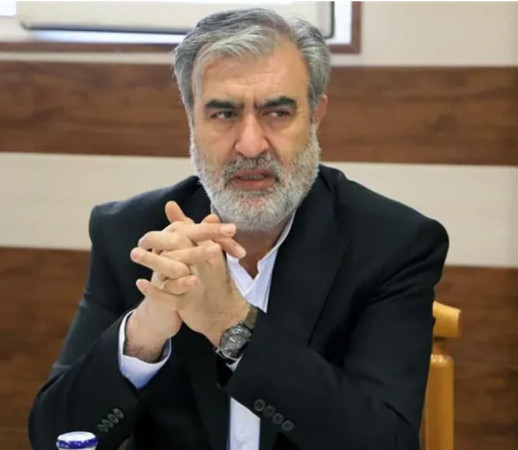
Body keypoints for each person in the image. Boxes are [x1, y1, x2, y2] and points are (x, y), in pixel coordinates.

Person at [28, 8, 449, 450]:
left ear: (315, 116)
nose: (250, 145)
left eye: (277, 112)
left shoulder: (391, 245)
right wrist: (142, 336)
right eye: (224, 114)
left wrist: (230, 324)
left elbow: (384, 442)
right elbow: (55, 437)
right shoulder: (132, 235)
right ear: (192, 120)